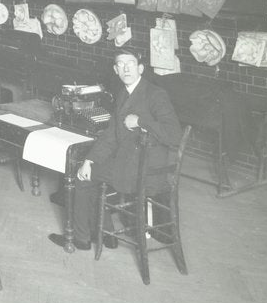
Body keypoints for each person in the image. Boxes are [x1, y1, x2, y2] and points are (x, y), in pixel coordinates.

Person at [48, 49, 183, 251]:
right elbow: (111, 134)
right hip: (131, 162)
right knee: (86, 170)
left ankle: (83, 238)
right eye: (121, 64)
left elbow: (174, 135)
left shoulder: (155, 94)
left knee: (83, 179)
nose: (126, 68)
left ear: (140, 68)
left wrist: (140, 121)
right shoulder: (124, 93)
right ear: (115, 70)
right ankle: (106, 234)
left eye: (130, 63)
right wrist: (90, 160)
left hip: (146, 172)